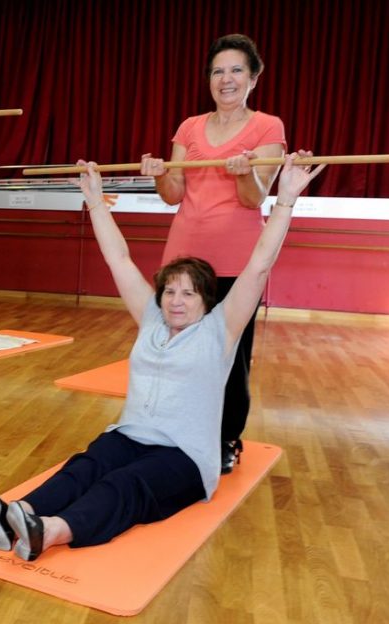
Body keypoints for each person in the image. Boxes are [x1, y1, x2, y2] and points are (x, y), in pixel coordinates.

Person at [0, 152, 324, 561]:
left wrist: (286, 200)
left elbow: (259, 265)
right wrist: (95, 202)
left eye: (189, 293)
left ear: (207, 301)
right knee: (85, 466)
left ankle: (47, 532)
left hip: (185, 457)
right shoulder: (152, 320)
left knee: (124, 486)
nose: (176, 301)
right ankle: (10, 517)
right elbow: (118, 259)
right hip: (131, 435)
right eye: (170, 290)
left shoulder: (220, 330)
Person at [140, 34, 286, 473]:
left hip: (236, 260)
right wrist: (159, 173)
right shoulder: (188, 127)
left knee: (229, 353)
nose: (226, 79)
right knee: (174, 347)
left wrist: (245, 173)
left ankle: (226, 438)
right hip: (183, 259)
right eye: (218, 71)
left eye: (236, 70)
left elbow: (253, 197)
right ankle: (174, 427)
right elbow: (172, 195)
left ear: (254, 77)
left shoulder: (268, 127)